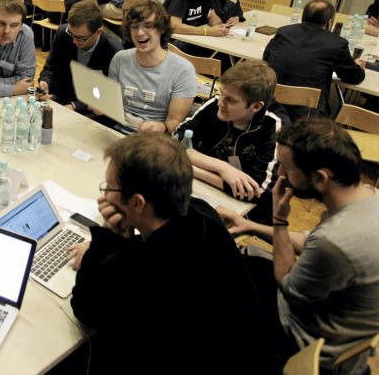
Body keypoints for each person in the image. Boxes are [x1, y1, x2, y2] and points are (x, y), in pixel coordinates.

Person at [68, 133, 265, 374]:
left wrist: (108, 237)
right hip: (247, 353)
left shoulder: (139, 270)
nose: (104, 196)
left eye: (109, 187)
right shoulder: (201, 214)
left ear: (138, 203)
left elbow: (85, 309)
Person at [226, 118, 379, 371]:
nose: (280, 174)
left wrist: (278, 217)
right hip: (344, 326)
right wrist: (250, 226)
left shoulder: (334, 241)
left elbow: (287, 284)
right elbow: (309, 241)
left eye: (286, 168)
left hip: (306, 341)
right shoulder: (367, 198)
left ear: (320, 177)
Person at [175, 60, 282, 221]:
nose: (220, 102)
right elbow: (177, 142)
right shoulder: (215, 104)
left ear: (256, 107)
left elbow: (256, 192)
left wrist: (189, 166)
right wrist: (223, 168)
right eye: (221, 93)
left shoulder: (272, 127)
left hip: (240, 212)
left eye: (230, 100)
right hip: (195, 187)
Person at [264, 0, 365, 119]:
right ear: (329, 23)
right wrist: (358, 66)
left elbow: (266, 58)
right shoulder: (336, 44)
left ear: (302, 17)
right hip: (307, 114)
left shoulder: (283, 32)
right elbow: (353, 77)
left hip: (269, 104)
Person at [108, 0, 196, 133]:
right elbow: (112, 102)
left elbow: (175, 122)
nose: (140, 33)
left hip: (153, 141)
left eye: (148, 26)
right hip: (115, 130)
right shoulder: (120, 59)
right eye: (135, 27)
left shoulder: (183, 70)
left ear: (161, 28)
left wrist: (162, 127)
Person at [38, 0, 123, 112]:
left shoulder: (114, 52)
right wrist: (45, 82)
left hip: (91, 110)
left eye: (81, 38)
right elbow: (50, 67)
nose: (74, 41)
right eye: (71, 34)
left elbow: (108, 97)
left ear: (99, 32)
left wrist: (75, 106)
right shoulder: (63, 33)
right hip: (60, 99)